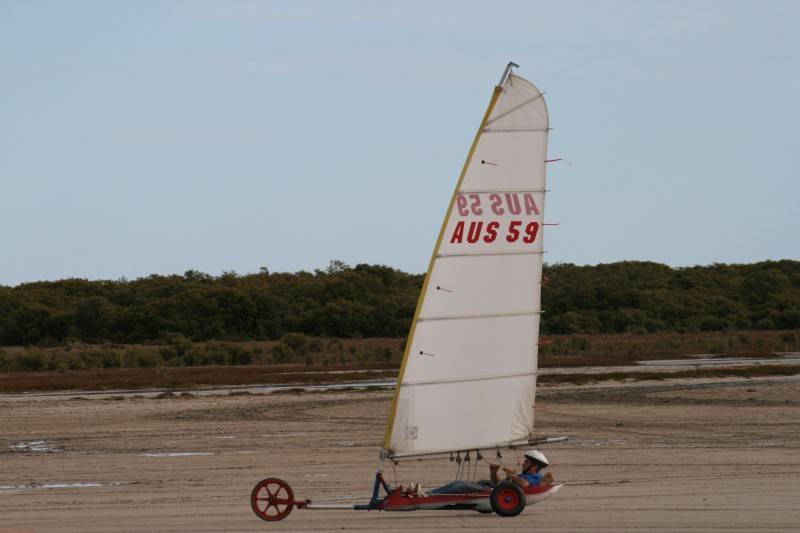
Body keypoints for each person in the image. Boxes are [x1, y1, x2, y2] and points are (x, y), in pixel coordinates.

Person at [428, 450, 550, 494]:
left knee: (460, 485)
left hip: (492, 493)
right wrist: (493, 472)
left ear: (534, 466)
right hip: (494, 489)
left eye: (526, 462)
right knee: (458, 483)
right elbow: (499, 483)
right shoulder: (526, 475)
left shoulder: (535, 477)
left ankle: (428, 495)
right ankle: (429, 493)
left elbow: (525, 485)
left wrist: (512, 475)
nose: (523, 463)